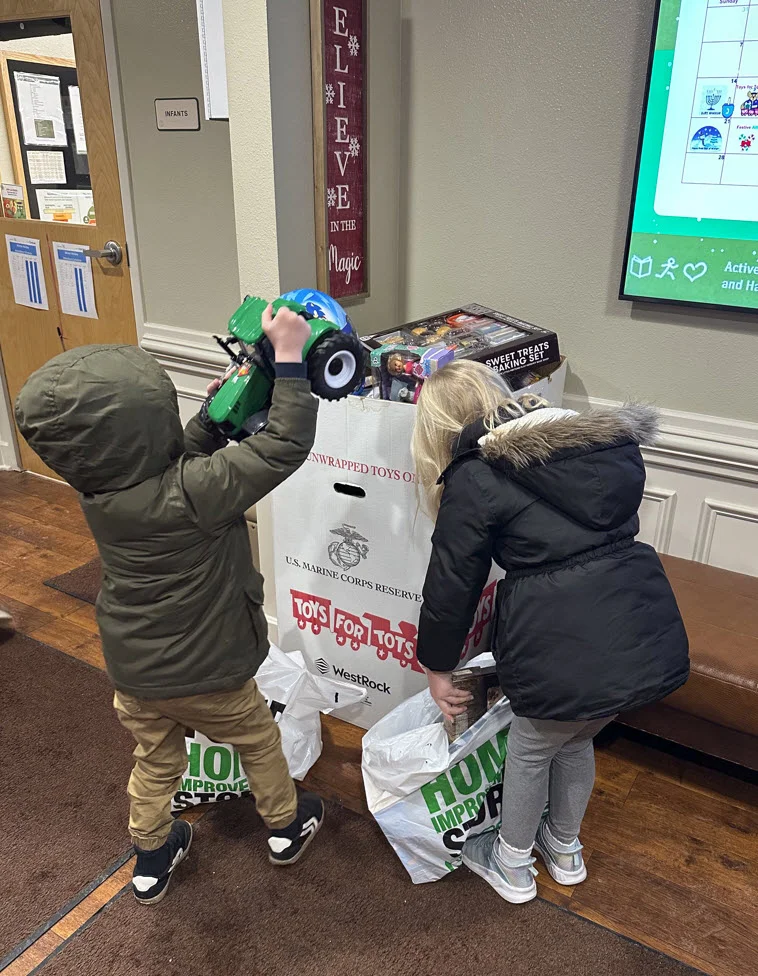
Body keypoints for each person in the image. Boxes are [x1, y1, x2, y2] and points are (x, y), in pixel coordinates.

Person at [15, 305, 325, 906]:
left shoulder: (100, 491)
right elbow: (284, 443)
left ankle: (151, 857)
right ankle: (287, 827)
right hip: (209, 670)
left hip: (136, 673)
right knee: (258, 740)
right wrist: (290, 361)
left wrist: (211, 418)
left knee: (155, 760)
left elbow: (163, 462)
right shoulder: (194, 495)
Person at [412, 361, 689, 904]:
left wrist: (437, 666)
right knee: (579, 735)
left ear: (442, 430)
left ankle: (511, 861)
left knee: (535, 745)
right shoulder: (598, 445)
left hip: (558, 638)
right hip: (635, 625)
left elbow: (451, 585)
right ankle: (563, 848)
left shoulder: (477, 474)